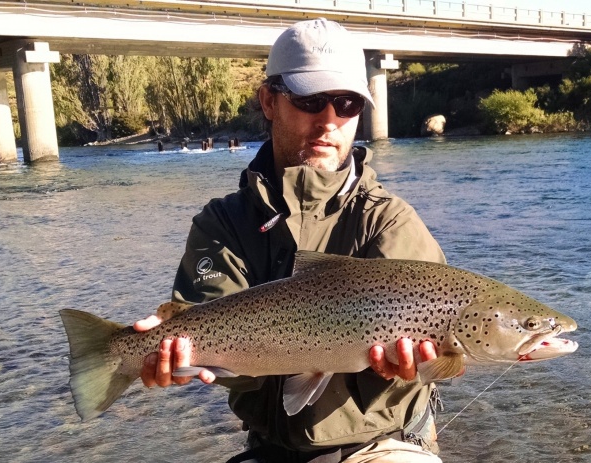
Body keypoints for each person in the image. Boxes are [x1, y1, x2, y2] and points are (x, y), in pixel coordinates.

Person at [134, 18, 449, 463]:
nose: (329, 120)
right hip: (271, 448)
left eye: (346, 104)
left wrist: (415, 366)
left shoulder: (387, 220)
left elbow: (445, 350)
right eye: (310, 100)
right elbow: (223, 355)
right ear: (268, 100)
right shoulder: (222, 222)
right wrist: (176, 358)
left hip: (385, 443)